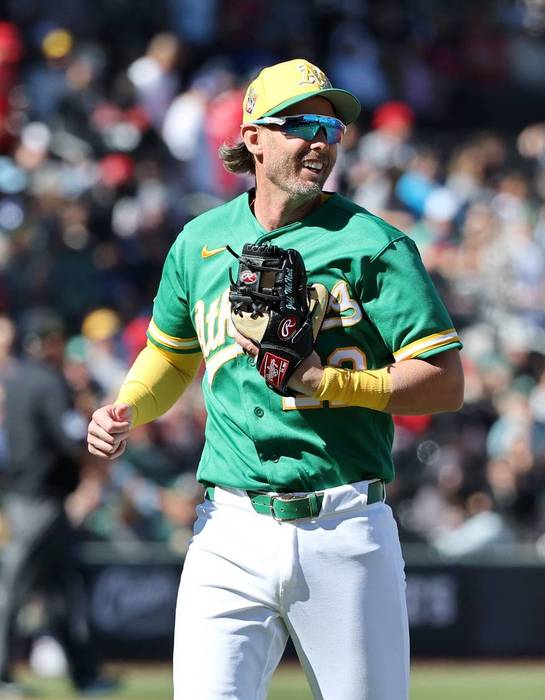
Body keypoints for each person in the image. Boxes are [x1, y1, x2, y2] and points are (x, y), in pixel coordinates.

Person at [85, 59, 464, 699]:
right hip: (227, 529)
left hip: (343, 524)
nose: (321, 140)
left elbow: (444, 381)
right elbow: (172, 355)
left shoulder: (373, 245)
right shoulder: (199, 242)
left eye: (332, 128)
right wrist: (125, 406)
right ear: (253, 137)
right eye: (302, 125)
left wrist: (336, 385)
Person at [0, 311, 118, 696]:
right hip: (41, 502)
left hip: (27, 499)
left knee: (60, 590)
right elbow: (71, 439)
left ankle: (85, 674)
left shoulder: (16, 380)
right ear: (49, 342)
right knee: (13, 590)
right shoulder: (50, 381)